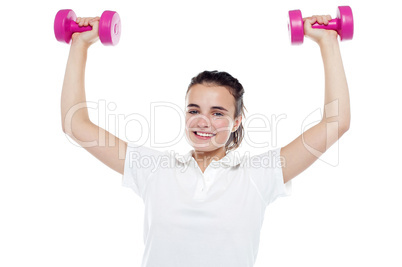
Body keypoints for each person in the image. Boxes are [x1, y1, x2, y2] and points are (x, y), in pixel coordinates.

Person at [60, 14, 350, 267]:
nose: (203, 121)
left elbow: (336, 123)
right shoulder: (154, 169)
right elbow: (76, 125)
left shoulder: (258, 175)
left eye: (218, 113)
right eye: (194, 110)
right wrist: (80, 45)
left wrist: (327, 41)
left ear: (237, 121)